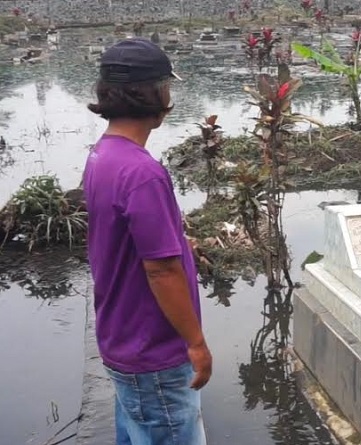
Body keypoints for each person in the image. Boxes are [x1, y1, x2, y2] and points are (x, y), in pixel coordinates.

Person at [82, 38, 212, 445]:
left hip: (122, 339)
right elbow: (160, 268)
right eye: (166, 87)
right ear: (151, 95)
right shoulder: (142, 173)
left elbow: (130, 242)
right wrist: (196, 343)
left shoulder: (102, 155)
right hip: (154, 350)